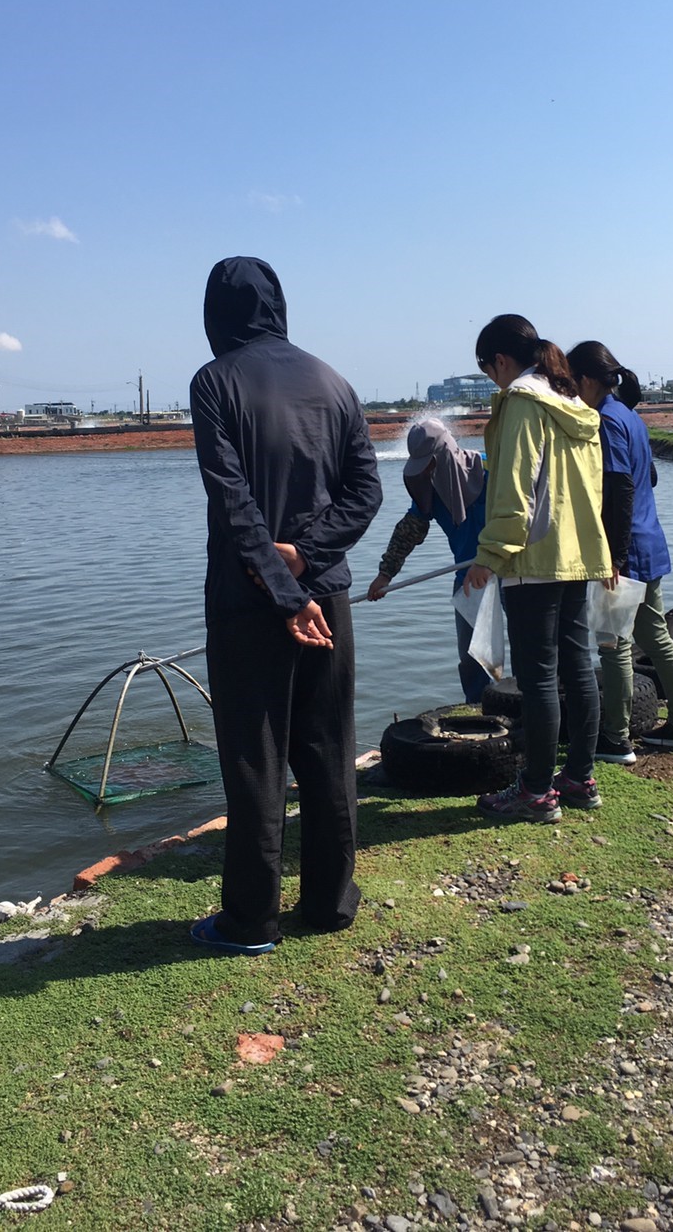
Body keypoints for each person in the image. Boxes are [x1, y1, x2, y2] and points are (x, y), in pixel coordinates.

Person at [189, 257, 383, 955]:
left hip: (252, 603)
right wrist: (305, 559)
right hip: (326, 595)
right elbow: (366, 495)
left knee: (256, 759)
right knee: (329, 751)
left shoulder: (215, 382)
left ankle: (251, 921)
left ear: (216, 312)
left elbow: (231, 499)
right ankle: (331, 903)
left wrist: (280, 579)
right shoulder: (334, 381)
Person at [464, 315, 613, 822]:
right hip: (578, 556)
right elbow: (592, 492)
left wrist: (489, 556)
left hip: (532, 559)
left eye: (490, 371)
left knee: (539, 679)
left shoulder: (523, 403)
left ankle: (534, 792)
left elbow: (515, 487)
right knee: (578, 667)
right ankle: (579, 778)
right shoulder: (576, 404)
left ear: (500, 361)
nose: (494, 381)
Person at [567, 340, 673, 760]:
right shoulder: (629, 417)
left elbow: (620, 487)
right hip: (650, 542)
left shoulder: (605, 422)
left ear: (587, 380)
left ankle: (616, 737)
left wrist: (613, 557)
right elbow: (651, 479)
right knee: (656, 637)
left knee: (613, 645)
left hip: (622, 552)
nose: (569, 389)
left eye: (572, 382)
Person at [367, 418, 489, 702]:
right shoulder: (430, 488)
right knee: (472, 655)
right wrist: (385, 574)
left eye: (430, 463)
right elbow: (410, 529)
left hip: (512, 571)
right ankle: (480, 710)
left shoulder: (491, 470)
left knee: (527, 648)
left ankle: (532, 714)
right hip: (468, 577)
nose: (427, 471)